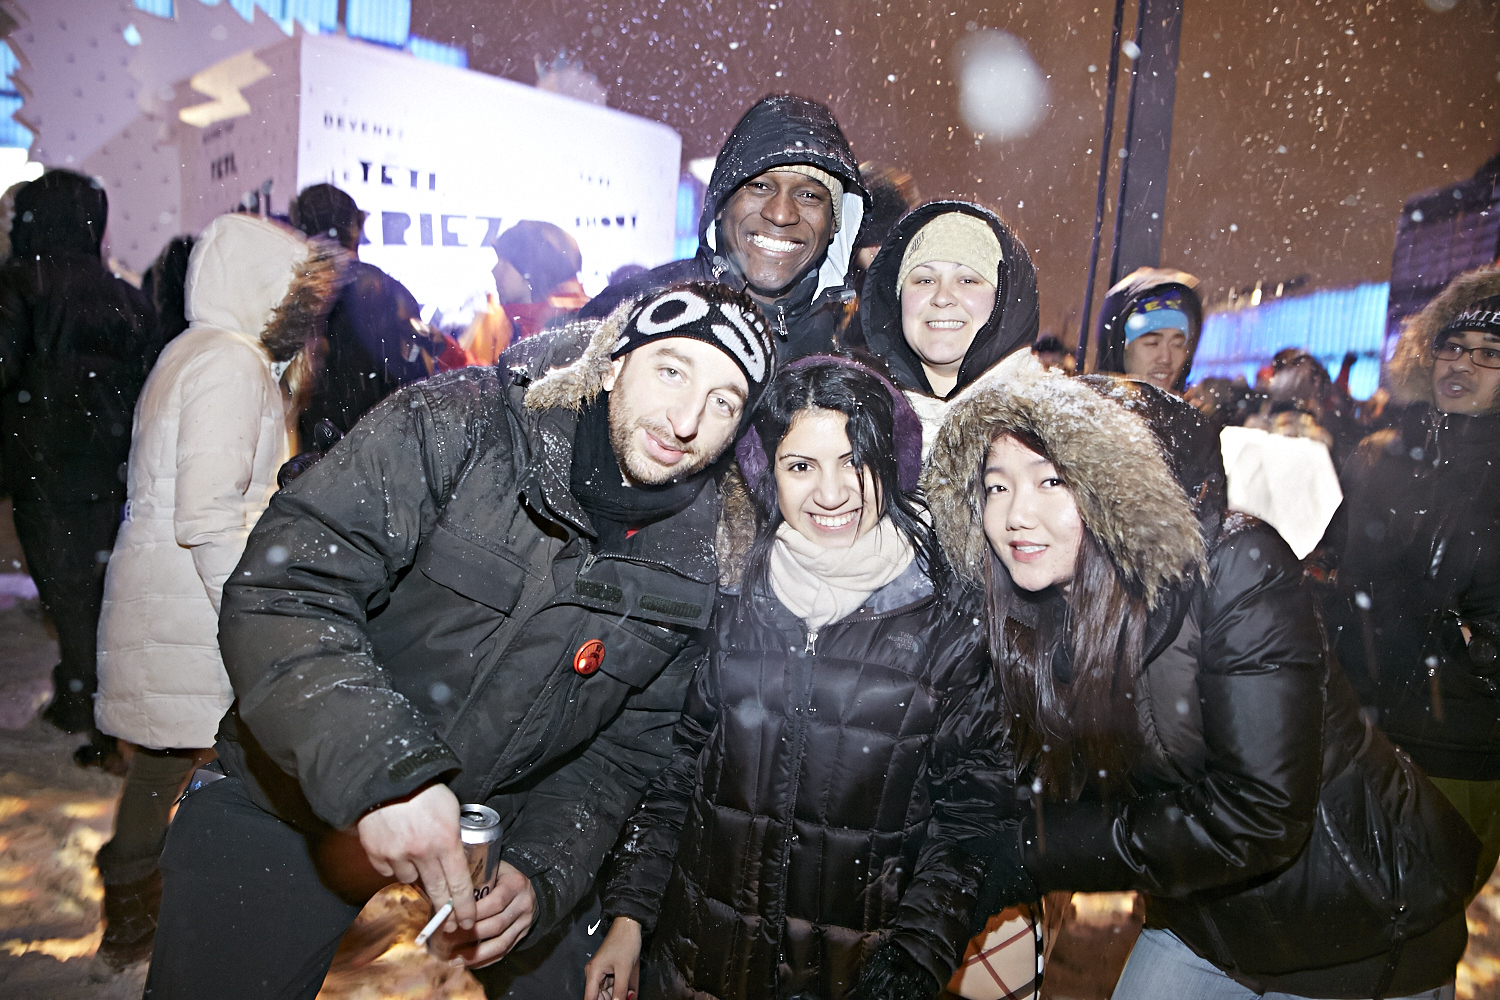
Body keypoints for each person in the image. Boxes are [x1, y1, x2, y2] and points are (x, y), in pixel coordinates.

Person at [145, 282, 778, 1000]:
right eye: (672, 369)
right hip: (291, 790)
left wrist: (540, 873)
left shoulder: (699, 561)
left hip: (494, 813)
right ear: (611, 363)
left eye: (724, 401)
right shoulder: (464, 425)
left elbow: (621, 755)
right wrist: (387, 772)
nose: (687, 418)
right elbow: (288, 588)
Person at [923, 353, 1479, 999]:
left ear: (1120, 486)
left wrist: (1030, 849)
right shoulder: (1040, 598)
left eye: (1051, 482)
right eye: (996, 485)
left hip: (1354, 923)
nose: (1016, 513)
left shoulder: (1239, 566)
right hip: (1200, 911)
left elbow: (1260, 814)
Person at [584, 356, 1000, 1000]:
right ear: (765, 475)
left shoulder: (948, 623)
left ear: (890, 464)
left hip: (850, 979)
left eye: (853, 462)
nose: (831, 493)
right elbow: (676, 775)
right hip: (698, 968)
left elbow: (968, 824)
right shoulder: (733, 600)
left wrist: (912, 962)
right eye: (800, 465)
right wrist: (631, 916)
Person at [89, 214, 338, 971]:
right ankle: (179, 913)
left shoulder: (195, 352)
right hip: (193, 608)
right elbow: (208, 514)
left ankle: (139, 914)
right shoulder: (228, 364)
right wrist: (258, 609)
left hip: (169, 598)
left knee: (170, 763)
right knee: (221, 762)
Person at [1331, 265, 1500, 902]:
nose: (1463, 364)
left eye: (1490, 355)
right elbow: (1339, 573)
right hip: (1363, 733)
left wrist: (1472, 666)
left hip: (1461, 753)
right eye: (1453, 347)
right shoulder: (1380, 455)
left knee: (1417, 930)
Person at [0, 169, 162, 757]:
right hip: (109, 469)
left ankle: (91, 710)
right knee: (97, 591)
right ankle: (90, 701)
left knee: (65, 592)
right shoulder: (127, 296)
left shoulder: (19, 283)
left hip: (42, 467)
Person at [582, 95, 868, 362]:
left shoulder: (855, 341)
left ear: (834, 224)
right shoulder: (631, 313)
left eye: (809, 195)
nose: (781, 214)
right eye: (759, 186)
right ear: (721, 205)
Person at [856, 200, 1038, 450]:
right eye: (924, 280)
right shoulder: (855, 423)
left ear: (1004, 300)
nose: (942, 297)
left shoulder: (1050, 432)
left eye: (967, 280)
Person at [288, 183, 437, 443]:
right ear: (355, 227)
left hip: (316, 446)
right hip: (382, 444)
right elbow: (420, 379)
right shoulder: (389, 290)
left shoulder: (291, 290)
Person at [1094, 267, 1202, 393]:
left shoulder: (1187, 411)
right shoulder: (1084, 409)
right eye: (1152, 343)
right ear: (1121, 349)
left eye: (1177, 345)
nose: (1166, 358)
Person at [491, 219, 591, 346]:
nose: (494, 271)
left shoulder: (564, 330)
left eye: (504, 262)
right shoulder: (527, 325)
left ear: (529, 270)